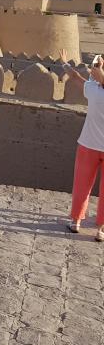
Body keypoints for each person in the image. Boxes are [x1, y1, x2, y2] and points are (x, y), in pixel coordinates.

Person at [63, 58, 104, 241]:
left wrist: (65, 64)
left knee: (82, 185)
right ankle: (101, 229)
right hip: (91, 145)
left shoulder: (93, 90)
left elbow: (75, 76)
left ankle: (76, 221)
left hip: (88, 145)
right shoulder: (95, 87)